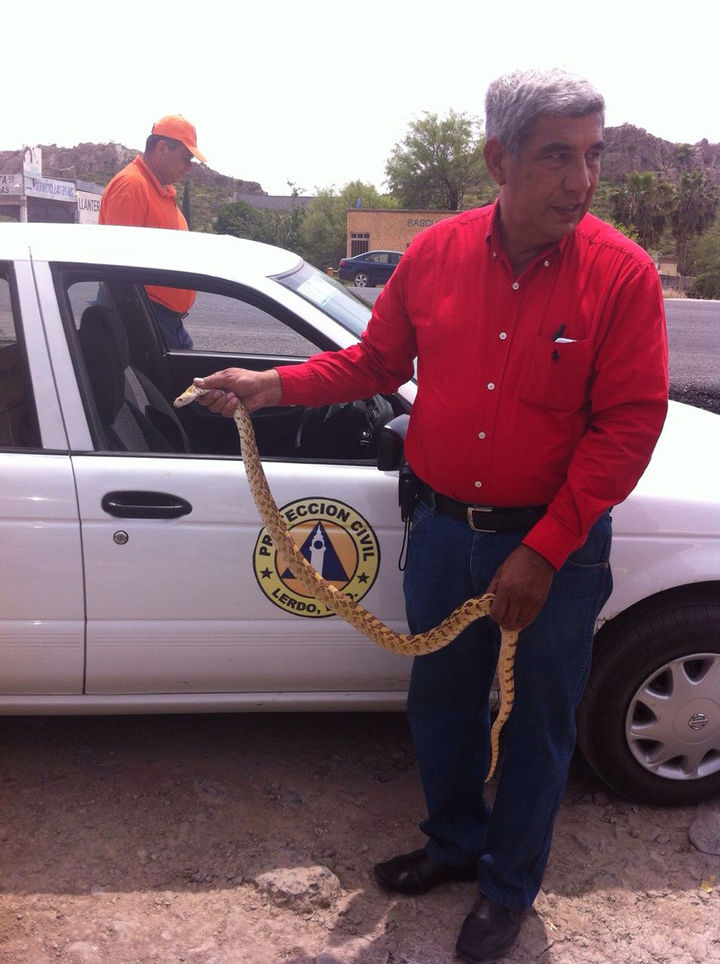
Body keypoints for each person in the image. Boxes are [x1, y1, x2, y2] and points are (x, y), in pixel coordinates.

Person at [192, 69, 669, 962]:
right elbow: (375, 363)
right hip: (445, 530)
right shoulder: (436, 255)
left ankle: (508, 887)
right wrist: (272, 385)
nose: (582, 181)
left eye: (593, 156)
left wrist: (544, 550)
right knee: (442, 702)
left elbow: (629, 427)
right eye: (557, 156)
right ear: (499, 159)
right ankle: (454, 845)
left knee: (537, 721)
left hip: (555, 544)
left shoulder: (622, 274)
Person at [99, 114, 206, 349]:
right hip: (145, 319)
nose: (189, 166)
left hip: (163, 320)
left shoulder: (158, 189)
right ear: (161, 148)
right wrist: (143, 333)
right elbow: (119, 269)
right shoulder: (132, 186)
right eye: (185, 158)